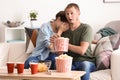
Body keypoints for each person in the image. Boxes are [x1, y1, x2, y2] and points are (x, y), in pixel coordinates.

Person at [50, 3, 96, 80]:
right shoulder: (64, 30)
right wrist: (57, 43)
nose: (69, 16)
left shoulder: (86, 28)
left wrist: (64, 43)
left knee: (85, 65)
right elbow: (59, 53)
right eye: (67, 14)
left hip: (86, 61)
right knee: (56, 64)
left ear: (78, 13)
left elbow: (82, 50)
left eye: (72, 13)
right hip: (69, 63)